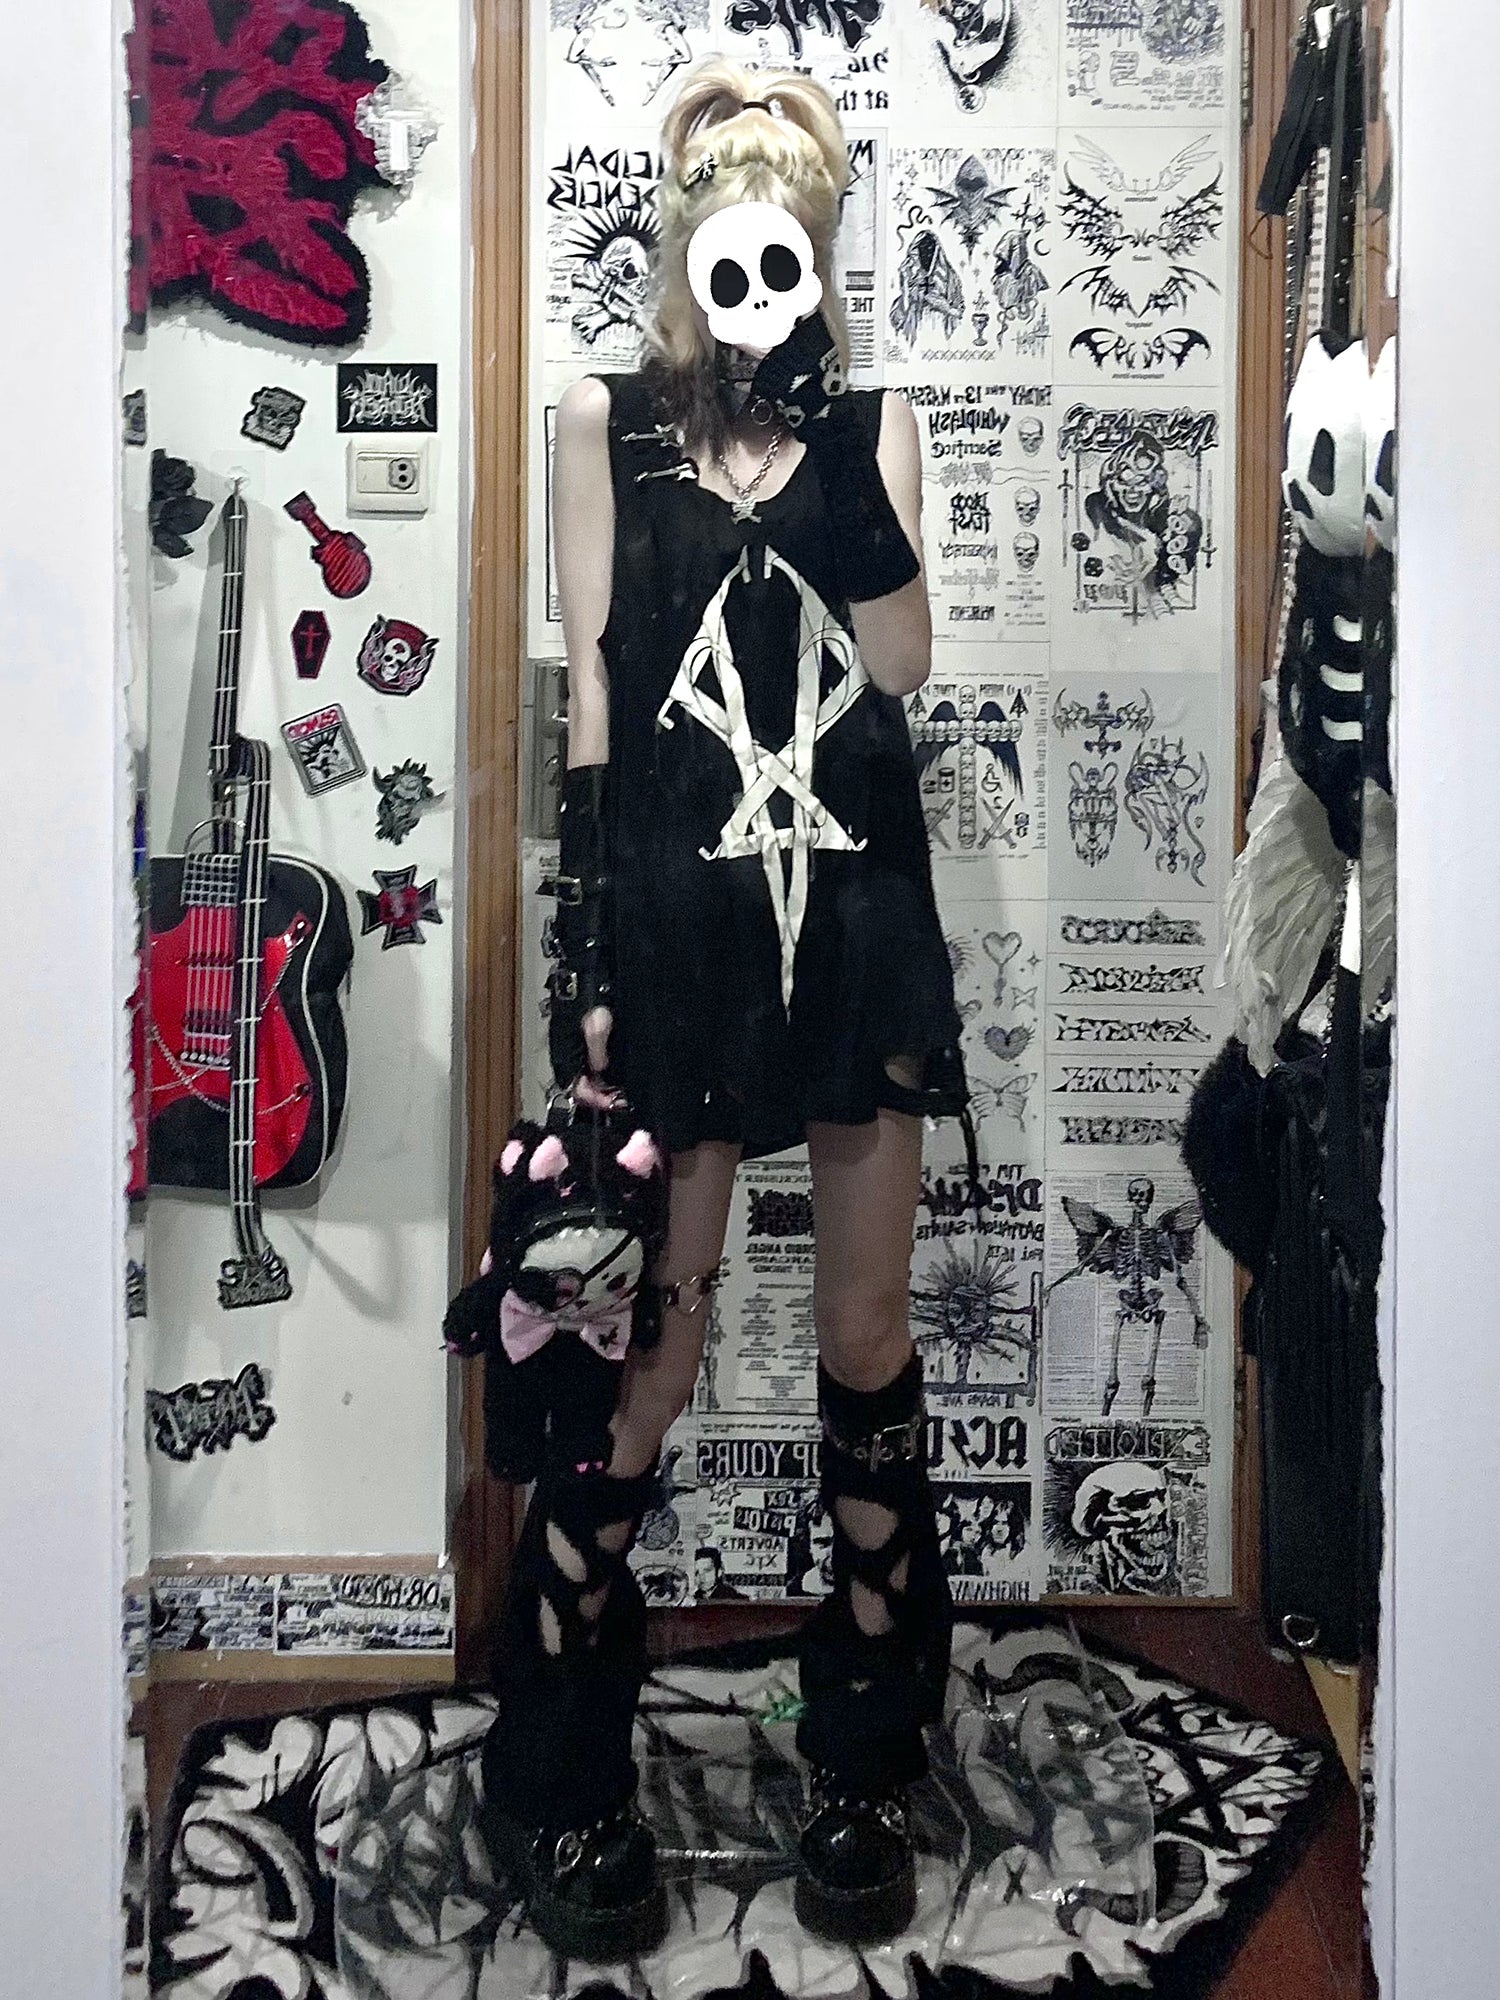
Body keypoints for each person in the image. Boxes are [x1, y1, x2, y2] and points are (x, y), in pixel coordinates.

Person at [480, 58, 971, 1962]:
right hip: (683, 942)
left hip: (854, 925)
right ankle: (558, 1755)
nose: (758, 275)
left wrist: (830, 448)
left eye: (791, 245)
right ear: (687, 247)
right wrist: (591, 968)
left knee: (864, 1333)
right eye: (731, 242)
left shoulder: (874, 425)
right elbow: (598, 704)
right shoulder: (599, 425)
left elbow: (902, 663)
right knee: (651, 1352)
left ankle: (867, 1741)